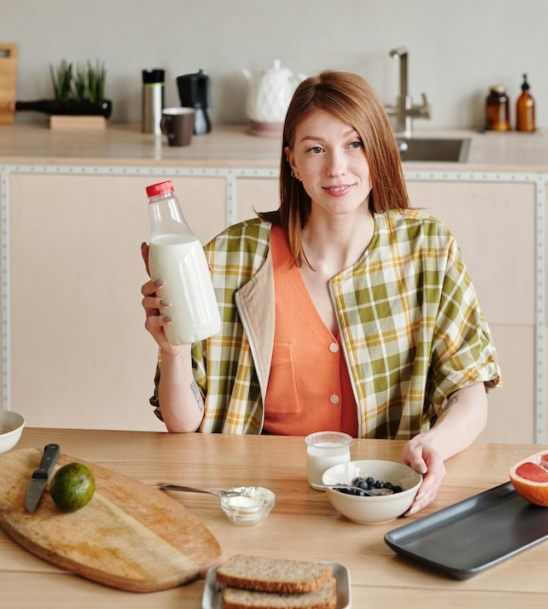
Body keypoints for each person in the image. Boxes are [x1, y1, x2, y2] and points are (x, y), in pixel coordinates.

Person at [141, 70, 500, 514]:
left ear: (379, 151)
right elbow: (184, 424)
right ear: (292, 161)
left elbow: (470, 392)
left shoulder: (428, 248)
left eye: (354, 144)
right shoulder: (230, 257)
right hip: (257, 499)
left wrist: (434, 445)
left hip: (384, 496)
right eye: (316, 149)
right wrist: (172, 352)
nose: (336, 168)